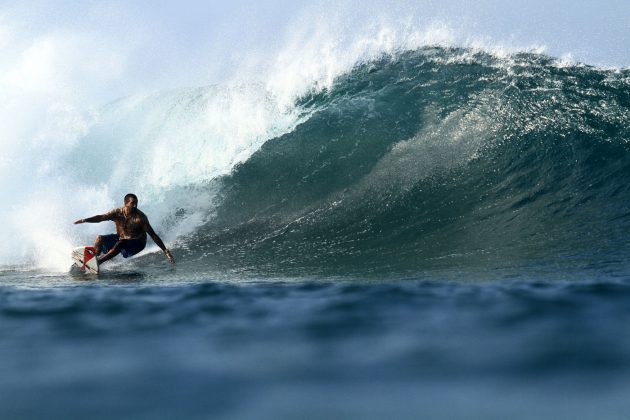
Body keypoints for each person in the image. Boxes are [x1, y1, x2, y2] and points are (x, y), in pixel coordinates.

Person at [74, 193, 175, 265]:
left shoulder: (140, 218)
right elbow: (101, 217)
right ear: (126, 203)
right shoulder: (117, 213)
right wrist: (84, 220)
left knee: (121, 243)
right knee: (99, 238)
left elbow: (153, 235)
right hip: (121, 239)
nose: (135, 205)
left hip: (137, 244)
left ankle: (98, 262)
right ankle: (93, 259)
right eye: (132, 203)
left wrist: (165, 251)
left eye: (136, 203)